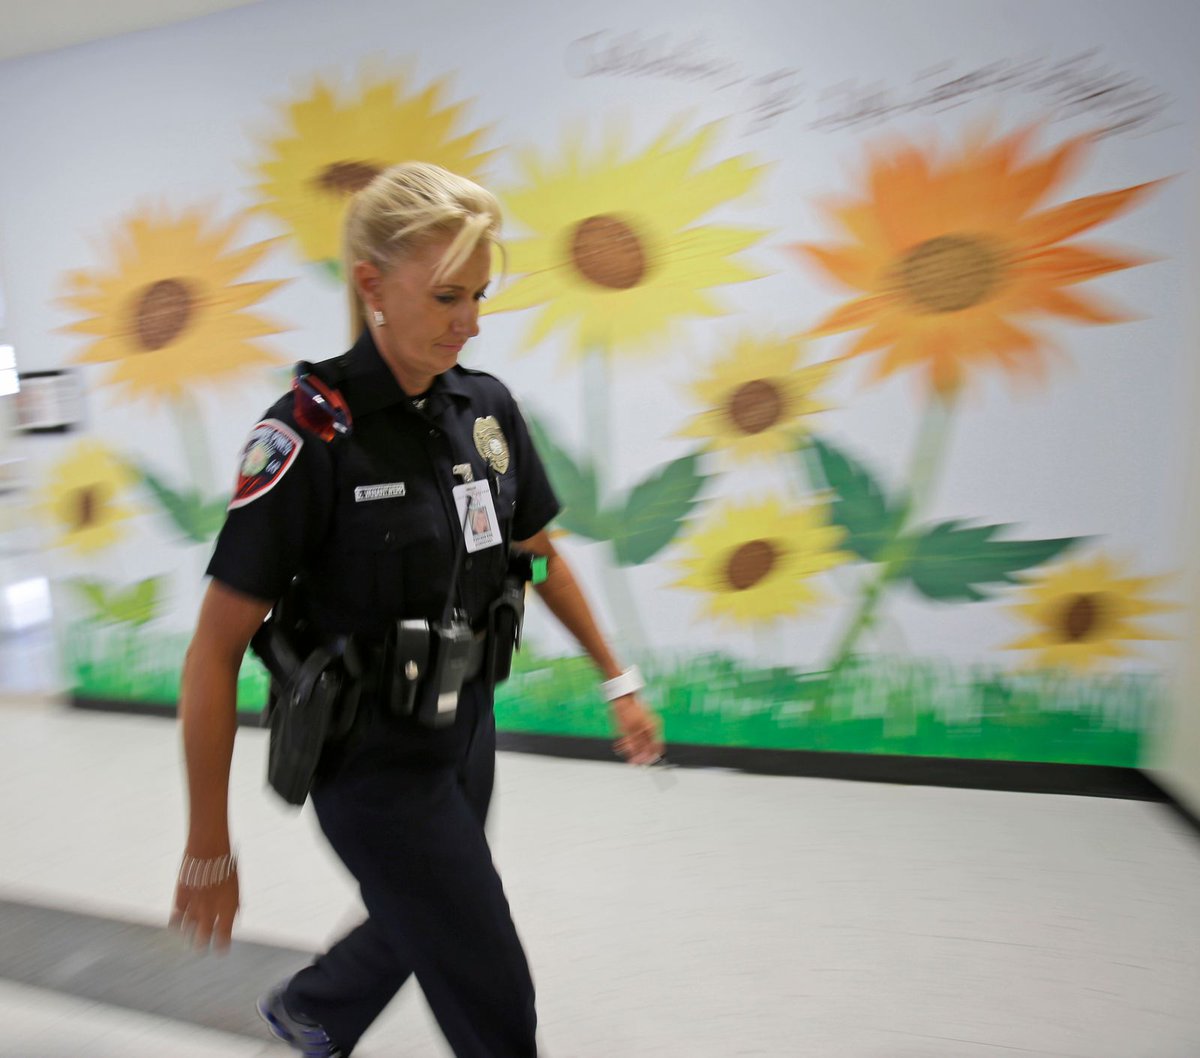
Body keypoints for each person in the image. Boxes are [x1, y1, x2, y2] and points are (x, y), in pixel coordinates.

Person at [169, 161, 663, 1058]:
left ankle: (318, 1008)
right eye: (446, 297)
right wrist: (210, 841)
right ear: (372, 286)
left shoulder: (485, 409)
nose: (469, 322)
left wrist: (616, 680)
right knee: (492, 987)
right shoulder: (308, 436)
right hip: (368, 762)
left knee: (426, 909)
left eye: (477, 296)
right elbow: (213, 650)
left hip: (465, 730)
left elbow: (538, 556)